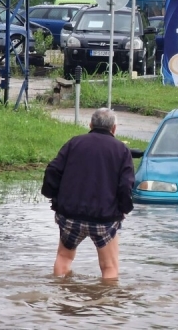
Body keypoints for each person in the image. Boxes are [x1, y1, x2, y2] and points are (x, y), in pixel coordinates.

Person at [41, 108, 135, 279]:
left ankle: (59, 299)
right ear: (114, 128)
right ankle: (106, 304)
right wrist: (124, 209)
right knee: (109, 267)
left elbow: (52, 171)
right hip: (104, 219)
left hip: (69, 215)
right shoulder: (121, 150)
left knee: (63, 257)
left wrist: (53, 197)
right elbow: (125, 187)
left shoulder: (74, 143)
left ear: (90, 124)